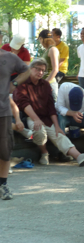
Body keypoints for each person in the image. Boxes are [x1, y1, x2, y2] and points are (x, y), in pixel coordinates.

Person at [13, 58, 84, 167]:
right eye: (37, 69)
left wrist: (57, 126)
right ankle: (44, 153)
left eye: (43, 70)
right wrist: (36, 119)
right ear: (31, 69)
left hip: (47, 117)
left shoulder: (45, 84)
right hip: (31, 117)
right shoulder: (23, 85)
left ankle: (79, 156)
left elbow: (51, 107)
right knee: (39, 130)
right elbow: (24, 104)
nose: (40, 72)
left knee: (59, 134)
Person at [0, 47, 30, 200]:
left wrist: (15, 83)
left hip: (3, 111)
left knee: (5, 150)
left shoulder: (9, 57)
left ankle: (3, 184)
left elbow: (27, 70)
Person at [38, 30, 60, 100]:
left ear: (41, 39)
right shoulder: (47, 50)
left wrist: (45, 83)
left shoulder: (52, 49)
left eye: (39, 40)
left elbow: (55, 69)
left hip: (50, 84)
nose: (40, 42)